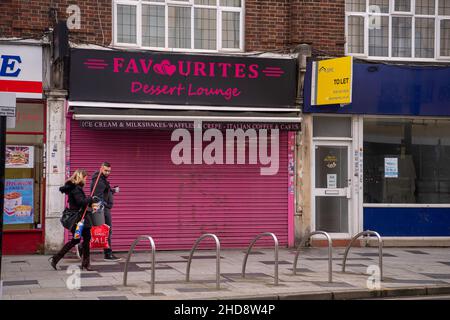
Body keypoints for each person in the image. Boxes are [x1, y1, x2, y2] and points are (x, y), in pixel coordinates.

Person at [49, 169, 95, 271]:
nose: (86, 180)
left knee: (77, 240)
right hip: (80, 220)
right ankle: (86, 263)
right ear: (81, 178)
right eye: (85, 178)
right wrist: (90, 199)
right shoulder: (76, 189)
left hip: (79, 220)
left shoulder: (74, 188)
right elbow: (80, 202)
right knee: (84, 240)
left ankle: (56, 258)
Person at [90, 161, 121, 261]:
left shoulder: (102, 180)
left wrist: (112, 190)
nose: (108, 173)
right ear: (101, 169)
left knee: (102, 231)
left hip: (104, 208)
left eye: (109, 171)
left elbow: (103, 192)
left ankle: (83, 248)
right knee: (105, 231)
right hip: (102, 209)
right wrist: (105, 205)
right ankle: (108, 254)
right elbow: (97, 196)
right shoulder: (99, 180)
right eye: (106, 170)